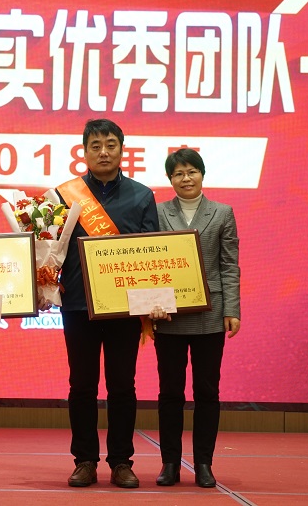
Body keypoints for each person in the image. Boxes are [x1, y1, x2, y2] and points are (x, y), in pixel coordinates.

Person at [55, 119, 158, 488]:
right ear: (84, 151)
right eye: (95, 145)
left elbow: (151, 253)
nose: (103, 152)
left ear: (122, 149)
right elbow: (51, 250)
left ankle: (121, 462)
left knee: (122, 386)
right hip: (78, 304)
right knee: (81, 385)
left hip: (124, 307)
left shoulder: (142, 196)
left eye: (111, 144)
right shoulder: (64, 195)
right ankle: (84, 460)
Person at [148, 148, 240, 488]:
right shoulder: (158, 212)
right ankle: (170, 463)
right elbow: (149, 262)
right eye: (178, 174)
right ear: (170, 179)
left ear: (202, 174)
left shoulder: (223, 212)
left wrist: (232, 309)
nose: (186, 179)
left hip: (210, 312)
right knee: (170, 392)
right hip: (168, 314)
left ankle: (204, 463)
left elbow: (229, 264)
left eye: (191, 172)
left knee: (207, 391)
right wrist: (151, 303)